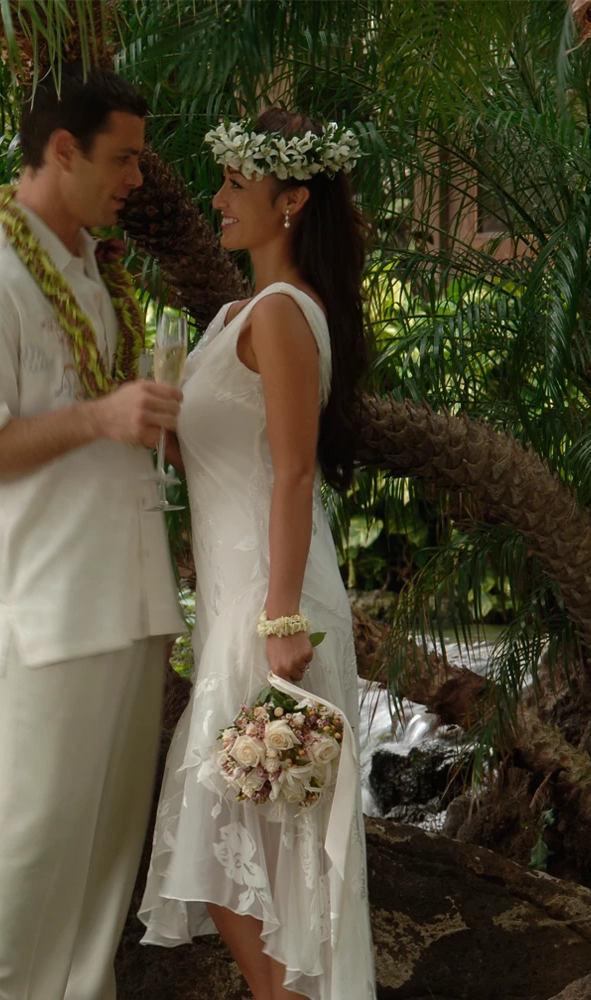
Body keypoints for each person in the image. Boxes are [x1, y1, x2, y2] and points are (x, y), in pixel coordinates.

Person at [0, 65, 186, 1000]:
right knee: (31, 844)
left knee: (107, 855)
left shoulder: (96, 275)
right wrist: (101, 418)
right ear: (61, 150)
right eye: (122, 159)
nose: (138, 181)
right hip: (43, 603)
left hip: (126, 593)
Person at [137, 109, 377, 1000]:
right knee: (243, 848)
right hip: (239, 609)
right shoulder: (235, 313)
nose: (218, 198)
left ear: (292, 202)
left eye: (237, 183)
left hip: (277, 614)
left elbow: (294, 471)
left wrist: (281, 622)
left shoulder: (282, 313)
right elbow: (207, 457)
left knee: (237, 836)